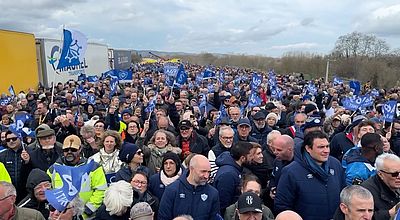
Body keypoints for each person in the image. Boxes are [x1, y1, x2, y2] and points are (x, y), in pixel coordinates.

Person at [274, 130, 346, 219]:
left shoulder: (335, 164)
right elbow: (282, 206)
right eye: (321, 147)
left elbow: (344, 194)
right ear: (308, 148)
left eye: (327, 146)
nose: (326, 151)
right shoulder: (291, 172)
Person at [47, 135, 107, 218]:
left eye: (73, 150)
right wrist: (55, 210)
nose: (69, 152)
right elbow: (49, 191)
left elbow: (101, 190)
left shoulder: (93, 167)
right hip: (61, 215)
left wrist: (87, 210)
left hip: (85, 216)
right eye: (66, 150)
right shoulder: (53, 169)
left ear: (80, 149)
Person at [158, 154, 220, 219]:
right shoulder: (172, 190)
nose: (206, 176)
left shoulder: (213, 193)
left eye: (209, 172)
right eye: (203, 171)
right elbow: (163, 217)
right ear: (191, 169)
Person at [214, 141, 254, 214]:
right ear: (242, 158)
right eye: (251, 156)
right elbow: (223, 204)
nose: (252, 158)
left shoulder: (236, 169)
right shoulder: (228, 175)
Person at [361, 153, 400, 219]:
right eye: (394, 174)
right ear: (380, 174)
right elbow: (360, 217)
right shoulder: (366, 192)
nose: (399, 176)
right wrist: (389, 213)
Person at [0, 130, 29, 202]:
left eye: (14, 138)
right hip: (9, 193)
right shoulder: (2, 155)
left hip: (26, 192)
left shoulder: (29, 151)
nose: (11, 141)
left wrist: (27, 162)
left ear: (20, 138)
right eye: (8, 139)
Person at [269, 134, 295, 200]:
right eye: (274, 149)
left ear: (290, 150)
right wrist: (272, 188)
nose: (275, 152)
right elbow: (273, 177)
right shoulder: (277, 161)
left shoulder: (300, 165)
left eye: (279, 150)